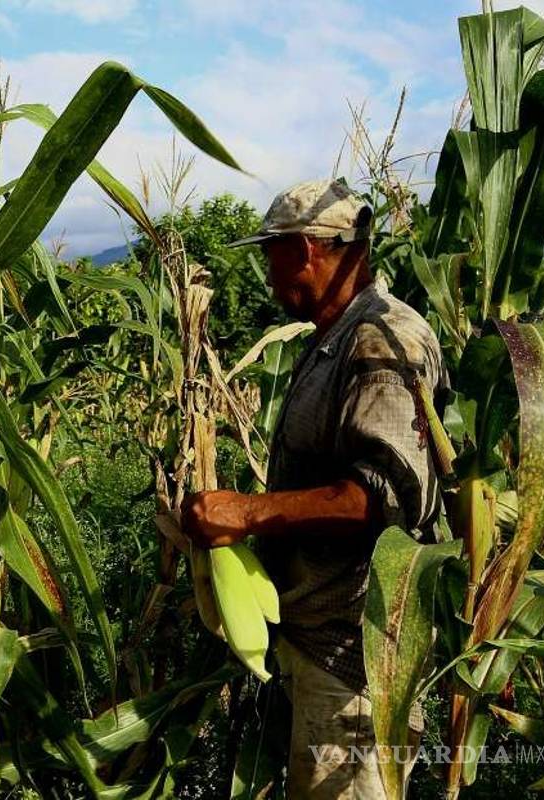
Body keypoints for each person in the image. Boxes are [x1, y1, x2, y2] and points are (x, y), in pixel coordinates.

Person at [181, 180, 446, 799]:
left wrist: (248, 513)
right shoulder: (334, 336)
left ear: (303, 250)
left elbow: (384, 497)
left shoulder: (381, 339)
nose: (269, 277)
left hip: (357, 665)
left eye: (271, 255)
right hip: (318, 647)